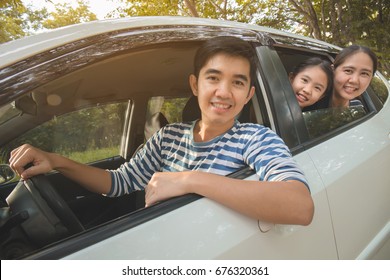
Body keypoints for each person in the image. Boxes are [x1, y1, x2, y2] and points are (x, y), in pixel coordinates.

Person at [9, 36, 314, 226]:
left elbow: (300, 206)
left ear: (248, 94)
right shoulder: (168, 137)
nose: (223, 92)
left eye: (237, 82)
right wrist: (56, 160)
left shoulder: (255, 138)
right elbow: (118, 182)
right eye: (213, 78)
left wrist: (189, 179)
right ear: (195, 85)